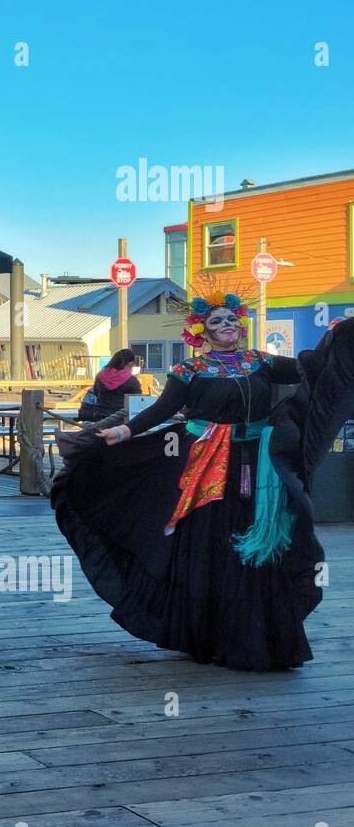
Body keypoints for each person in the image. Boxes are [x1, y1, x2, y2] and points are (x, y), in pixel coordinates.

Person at [51, 278, 354, 670]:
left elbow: (308, 369)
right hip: (207, 468)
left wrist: (340, 338)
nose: (226, 325)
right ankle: (212, 634)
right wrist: (124, 431)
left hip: (259, 465)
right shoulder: (189, 370)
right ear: (202, 331)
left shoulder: (260, 361)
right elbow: (160, 412)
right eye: (216, 322)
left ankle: (257, 635)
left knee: (261, 543)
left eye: (231, 319)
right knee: (216, 543)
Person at [77, 349, 142, 422]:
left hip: (99, 419)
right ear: (130, 364)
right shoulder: (131, 381)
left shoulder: (100, 376)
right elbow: (137, 403)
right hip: (121, 421)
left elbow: (95, 393)